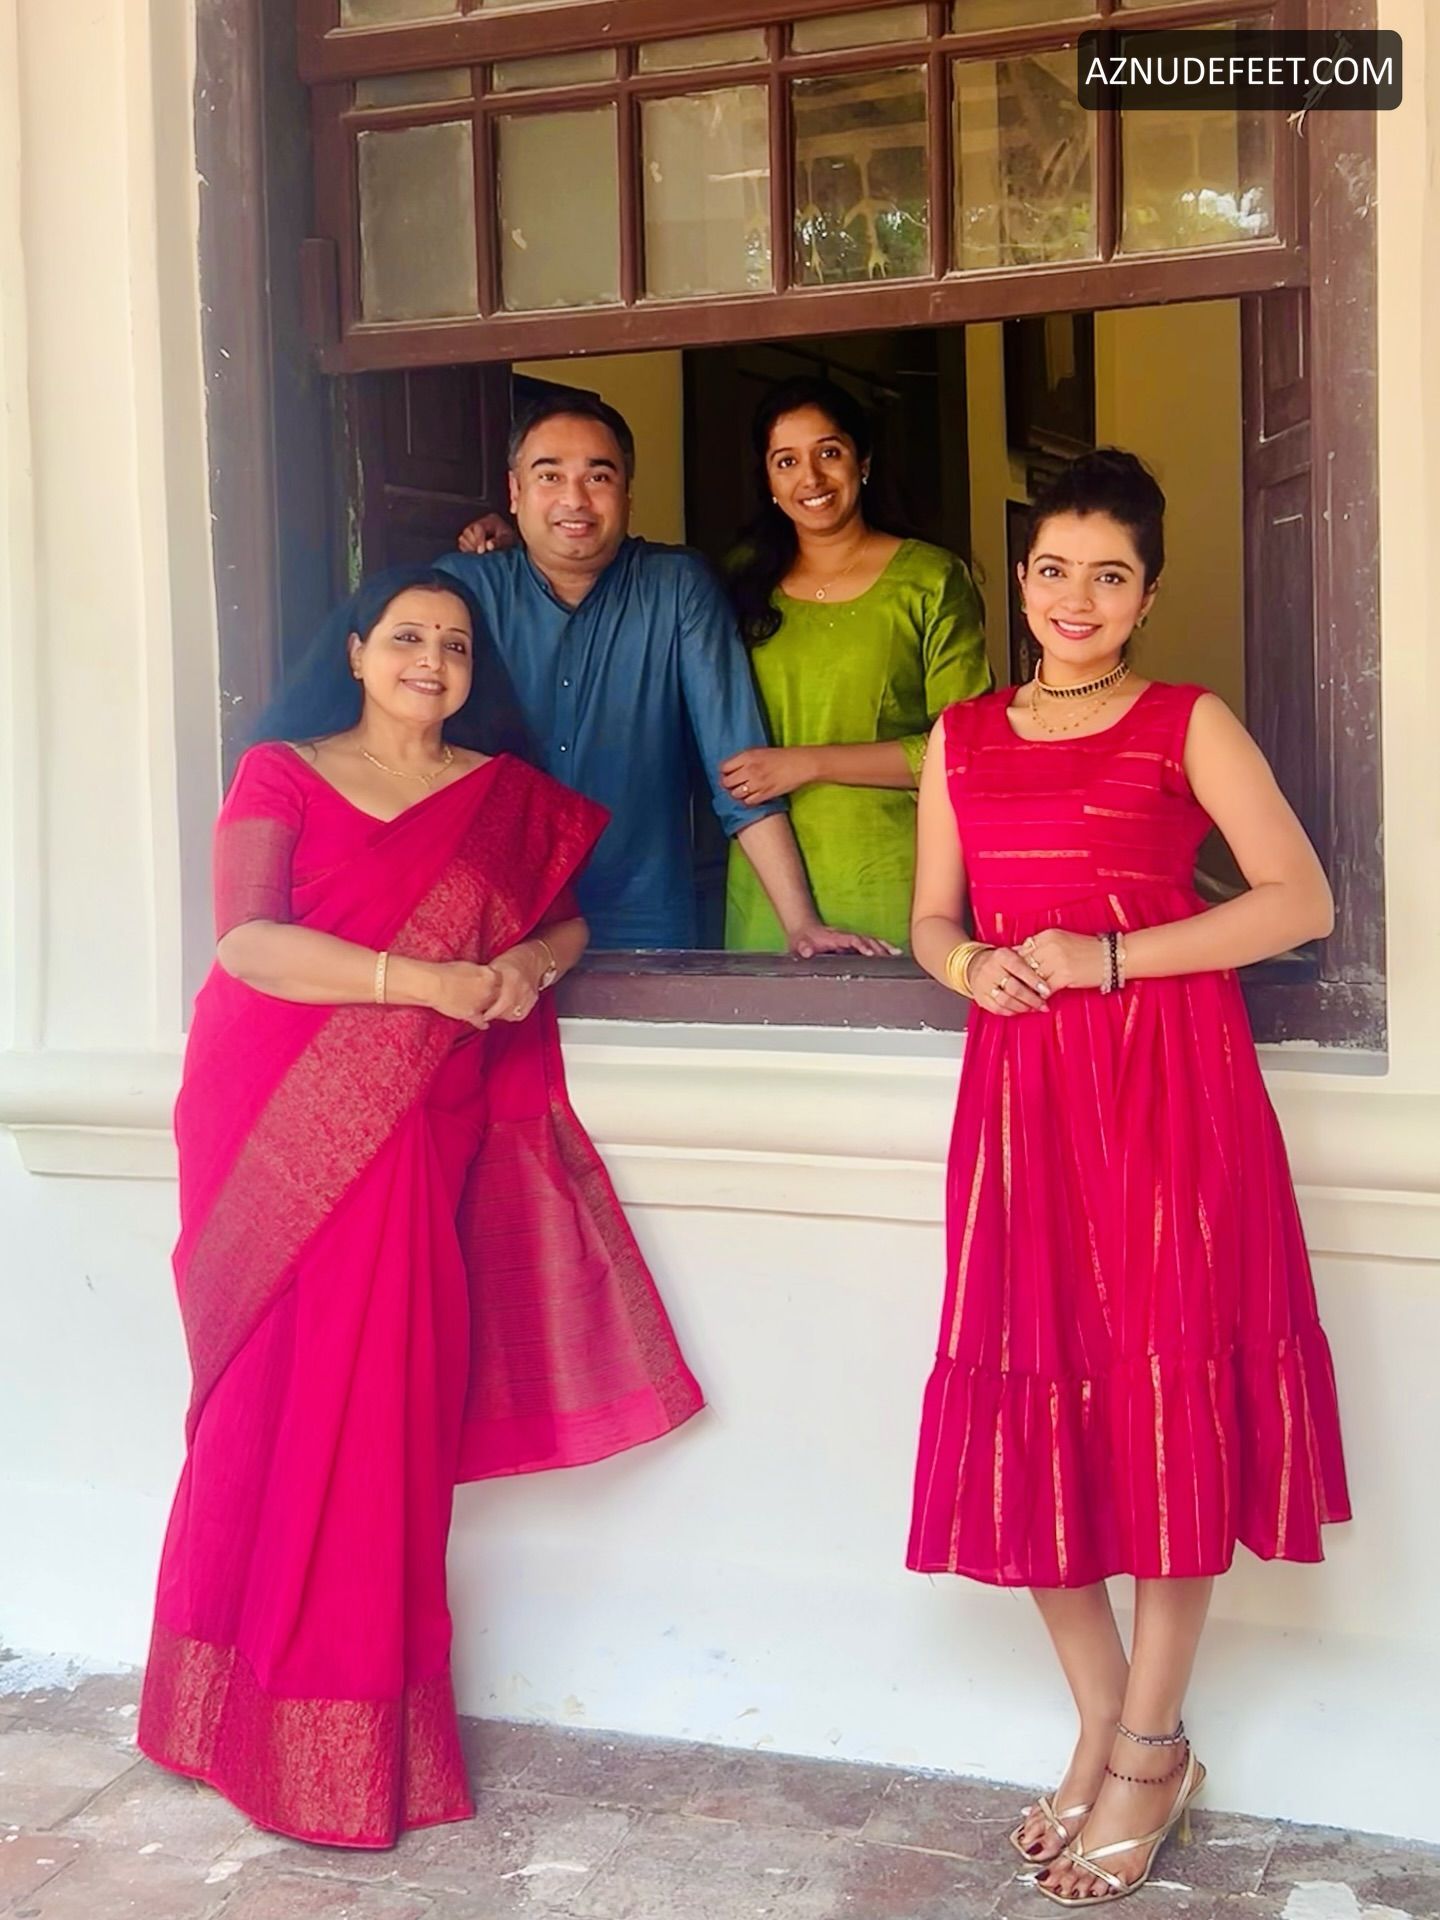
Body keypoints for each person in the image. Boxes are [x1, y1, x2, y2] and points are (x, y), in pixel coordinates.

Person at [136, 566, 703, 1849]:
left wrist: (524, 962)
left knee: (379, 1403)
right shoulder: (280, 775)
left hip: (413, 1122)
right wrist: (422, 983)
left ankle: (337, 1733)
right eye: (406, 638)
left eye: (453, 644)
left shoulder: (503, 801)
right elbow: (246, 944)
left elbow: (568, 931)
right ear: (355, 652)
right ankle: (214, 1712)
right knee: (263, 1401)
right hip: (267, 1116)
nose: (430, 662)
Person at [906, 451, 1350, 1906]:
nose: (1078, 598)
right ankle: (1103, 1723)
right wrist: (968, 966)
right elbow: (932, 918)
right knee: (1030, 1379)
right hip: (1025, 1100)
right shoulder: (961, 737)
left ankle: (1153, 1748)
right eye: (1054, 569)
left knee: (1164, 1390)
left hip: (1172, 1091)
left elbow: (1297, 901)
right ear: (1022, 578)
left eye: (1110, 575)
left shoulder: (1186, 721)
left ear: (1148, 593)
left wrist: (1111, 956)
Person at [444, 391, 889, 956]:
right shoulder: (464, 590)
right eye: (549, 476)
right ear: (515, 491)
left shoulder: (675, 587)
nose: (574, 499)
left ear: (628, 492)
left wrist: (801, 923)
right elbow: (405, 748)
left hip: (642, 917)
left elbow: (737, 767)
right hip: (494, 919)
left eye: (598, 477)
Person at [723, 376, 991, 952]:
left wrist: (808, 763)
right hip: (767, 884)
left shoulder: (931, 579)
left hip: (898, 878)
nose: (810, 478)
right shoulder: (740, 582)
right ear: (767, 481)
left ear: (862, 462)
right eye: (786, 461)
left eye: (829, 453)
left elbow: (967, 751)